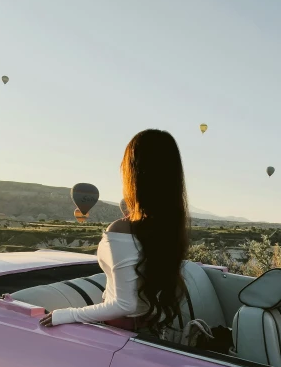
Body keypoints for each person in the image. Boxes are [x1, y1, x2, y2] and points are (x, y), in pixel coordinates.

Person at [40, 129, 189, 331]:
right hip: (148, 330)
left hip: (119, 334)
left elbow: (124, 304)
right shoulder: (167, 228)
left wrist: (67, 314)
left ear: (134, 173)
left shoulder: (122, 230)